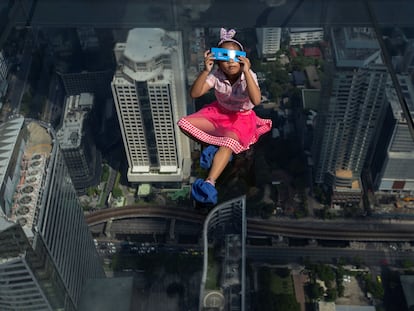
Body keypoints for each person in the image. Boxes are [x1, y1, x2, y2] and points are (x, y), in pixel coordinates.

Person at [178, 28, 272, 205]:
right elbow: (195, 94)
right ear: (218, 61)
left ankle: (210, 182)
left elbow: (256, 100)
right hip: (219, 114)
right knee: (184, 123)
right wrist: (206, 70)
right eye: (224, 58)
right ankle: (213, 147)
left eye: (236, 57)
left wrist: (247, 72)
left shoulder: (248, 76)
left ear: (243, 59)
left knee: (228, 142)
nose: (230, 62)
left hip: (241, 119)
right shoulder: (216, 75)